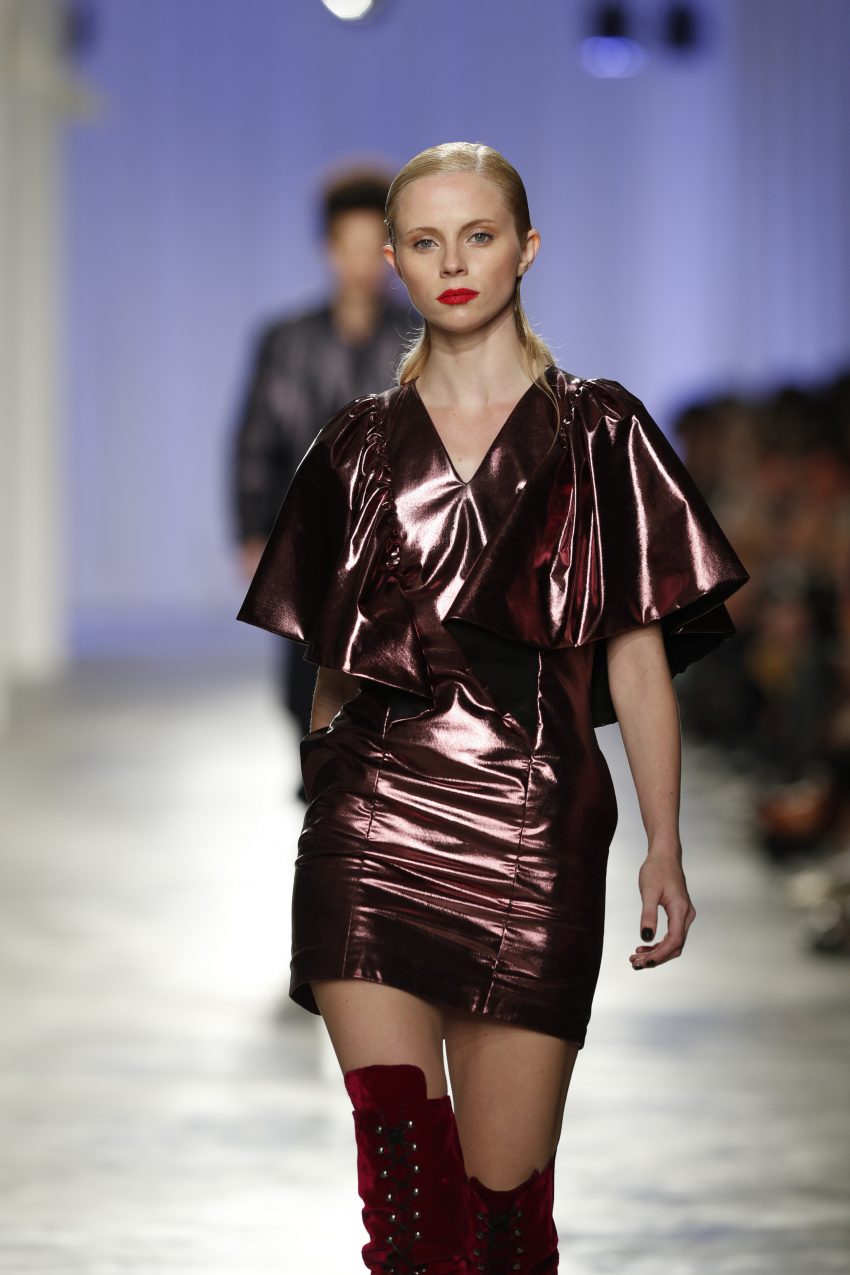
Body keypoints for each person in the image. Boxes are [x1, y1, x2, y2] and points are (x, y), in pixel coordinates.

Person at [236, 141, 750, 1274]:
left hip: (533, 826)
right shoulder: (355, 446)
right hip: (371, 826)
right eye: (426, 242)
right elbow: (333, 665)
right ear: (394, 261)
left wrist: (664, 846)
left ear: (526, 249)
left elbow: (636, 659)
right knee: (407, 1215)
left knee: (505, 1221)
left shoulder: (600, 434)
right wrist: (326, 798)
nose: (454, 263)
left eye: (478, 236)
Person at [231, 164, 411, 792]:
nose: (360, 263)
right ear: (328, 249)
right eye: (348, 247)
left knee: (386, 658)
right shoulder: (285, 341)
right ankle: (320, 768)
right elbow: (255, 438)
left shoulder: (418, 334)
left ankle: (369, 776)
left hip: (395, 531)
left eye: (372, 247)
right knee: (301, 665)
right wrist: (251, 529)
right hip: (307, 530)